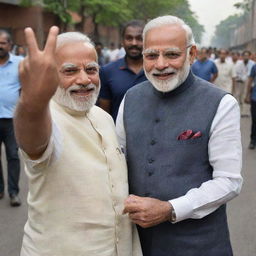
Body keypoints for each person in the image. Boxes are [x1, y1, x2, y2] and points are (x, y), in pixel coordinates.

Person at [116, 15, 242, 256]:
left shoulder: (221, 104)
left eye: (172, 54)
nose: (161, 64)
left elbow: (229, 181)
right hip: (137, 244)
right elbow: (116, 161)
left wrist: (170, 208)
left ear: (192, 54)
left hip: (199, 245)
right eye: (151, 55)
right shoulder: (130, 98)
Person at [14, 27, 142, 256]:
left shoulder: (103, 117)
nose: (84, 79)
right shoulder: (47, 117)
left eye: (91, 69)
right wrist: (33, 100)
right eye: (70, 71)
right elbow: (34, 142)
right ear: (50, 74)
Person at [98, 20, 147, 122]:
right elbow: (104, 114)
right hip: (117, 136)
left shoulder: (157, 71)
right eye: (129, 38)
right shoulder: (107, 71)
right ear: (122, 41)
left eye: (139, 38)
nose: (134, 43)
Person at [0, 29, 23, 206]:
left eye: (3, 43)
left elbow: (28, 88)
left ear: (10, 45)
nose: (0, 46)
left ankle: (13, 192)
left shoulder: (20, 63)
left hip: (12, 120)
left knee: (13, 156)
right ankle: (0, 189)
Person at [234, 50, 255, 117]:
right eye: (244, 55)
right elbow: (236, 72)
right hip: (240, 82)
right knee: (239, 96)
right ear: (242, 56)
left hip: (248, 82)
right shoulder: (239, 63)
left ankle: (245, 112)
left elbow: (252, 76)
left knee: (246, 96)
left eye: (247, 55)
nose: (246, 57)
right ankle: (239, 111)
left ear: (249, 56)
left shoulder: (253, 64)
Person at [245, 62, 256, 149]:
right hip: (255, 98)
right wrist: (247, 95)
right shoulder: (254, 66)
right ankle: (253, 140)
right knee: (255, 120)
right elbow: (250, 80)